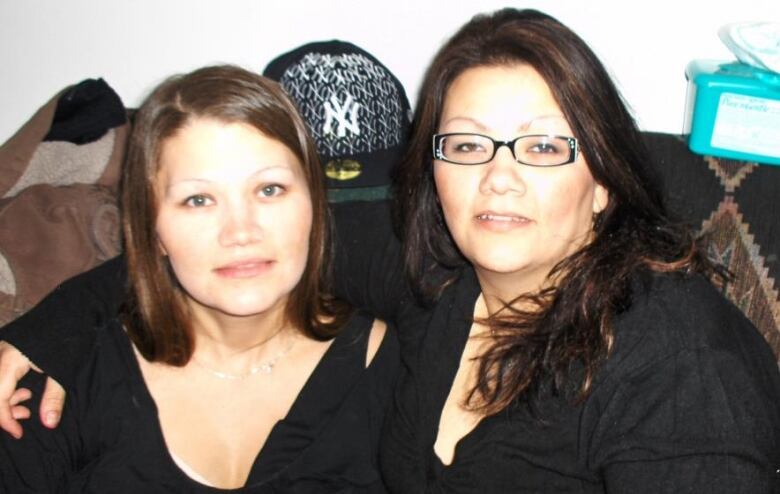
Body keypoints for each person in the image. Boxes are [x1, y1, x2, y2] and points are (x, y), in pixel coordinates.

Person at [1, 8, 780, 493]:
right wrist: (46, 331)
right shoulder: (434, 280)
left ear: (604, 177)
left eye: (544, 147)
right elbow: (252, 250)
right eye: (468, 145)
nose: (498, 179)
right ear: (431, 168)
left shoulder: (676, 360)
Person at [0, 64, 398, 492]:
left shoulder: (400, 372)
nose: (241, 232)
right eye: (198, 200)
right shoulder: (63, 380)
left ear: (317, 205)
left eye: (269, 190)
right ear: (152, 228)